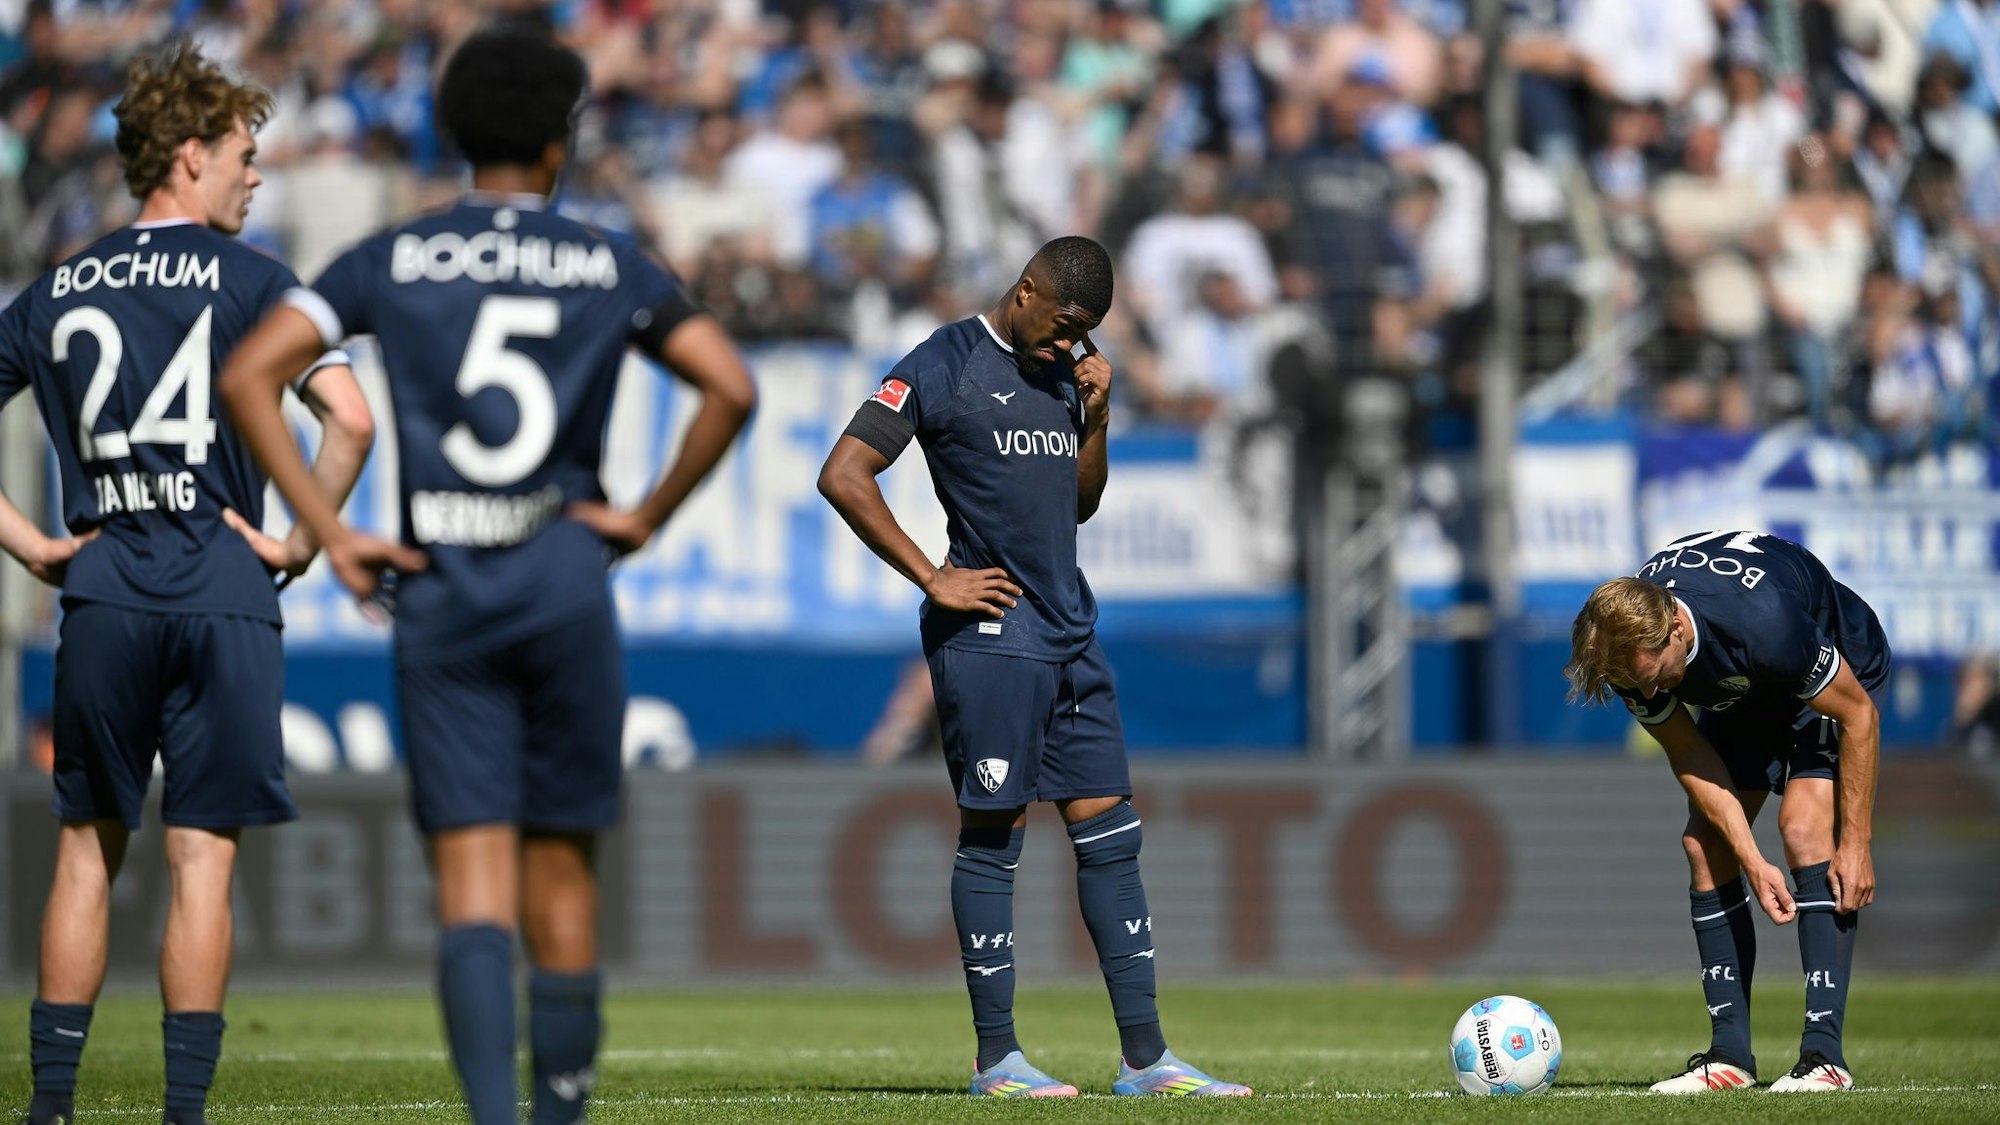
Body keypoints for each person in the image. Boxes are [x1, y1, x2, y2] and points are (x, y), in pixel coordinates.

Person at [217, 24, 756, 1125]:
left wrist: (333, 527)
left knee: (471, 881)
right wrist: (647, 513)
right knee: (560, 879)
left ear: (453, 133)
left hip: (442, 595)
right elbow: (731, 389)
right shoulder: (608, 261)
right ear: (561, 141)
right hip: (563, 583)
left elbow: (251, 373)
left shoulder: (395, 256)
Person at [0, 40, 371, 1125]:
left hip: (104, 580)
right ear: (192, 154)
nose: (258, 176)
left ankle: (53, 1109)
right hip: (221, 580)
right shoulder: (260, 283)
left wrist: (25, 541)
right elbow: (348, 417)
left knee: (84, 851)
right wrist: (303, 536)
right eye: (246, 155)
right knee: (201, 856)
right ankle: (182, 1117)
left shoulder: (59, 284)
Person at [817, 235, 1252, 1099]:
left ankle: (1146, 1060)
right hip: (991, 635)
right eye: (1061, 328)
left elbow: (1079, 502)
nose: (1069, 347)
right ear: (1024, 293)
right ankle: (998, 1058)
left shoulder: (1068, 373)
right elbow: (844, 472)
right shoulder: (944, 360)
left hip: (1071, 630)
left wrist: (1094, 417)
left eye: (1084, 334)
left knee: (1112, 833)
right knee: (995, 836)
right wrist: (934, 575)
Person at [1567, 529, 1889, 1094]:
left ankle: (1824, 1057)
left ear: (1676, 630)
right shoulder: (1627, 652)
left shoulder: (1765, 624)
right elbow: (1690, 752)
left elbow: (1860, 716)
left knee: (1803, 828)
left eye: (1647, 679)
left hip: (1831, 658)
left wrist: (1856, 845)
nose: (1642, 692)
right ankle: (1731, 1058)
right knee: (1704, 845)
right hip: (1743, 687)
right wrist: (1751, 859)